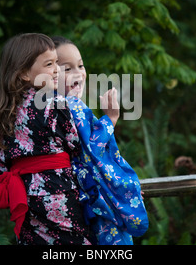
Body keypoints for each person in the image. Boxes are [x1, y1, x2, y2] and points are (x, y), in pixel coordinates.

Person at [0, 33, 92, 245]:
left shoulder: (1, 112)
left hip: (24, 196)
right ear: (24, 73)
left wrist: (2, 176)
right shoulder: (55, 103)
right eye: (50, 64)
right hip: (59, 193)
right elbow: (78, 143)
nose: (56, 70)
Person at [52, 36, 149, 245]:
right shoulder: (68, 106)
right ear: (50, 74)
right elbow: (92, 148)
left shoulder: (47, 106)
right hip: (90, 198)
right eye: (66, 69)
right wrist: (111, 118)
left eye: (80, 65)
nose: (78, 73)